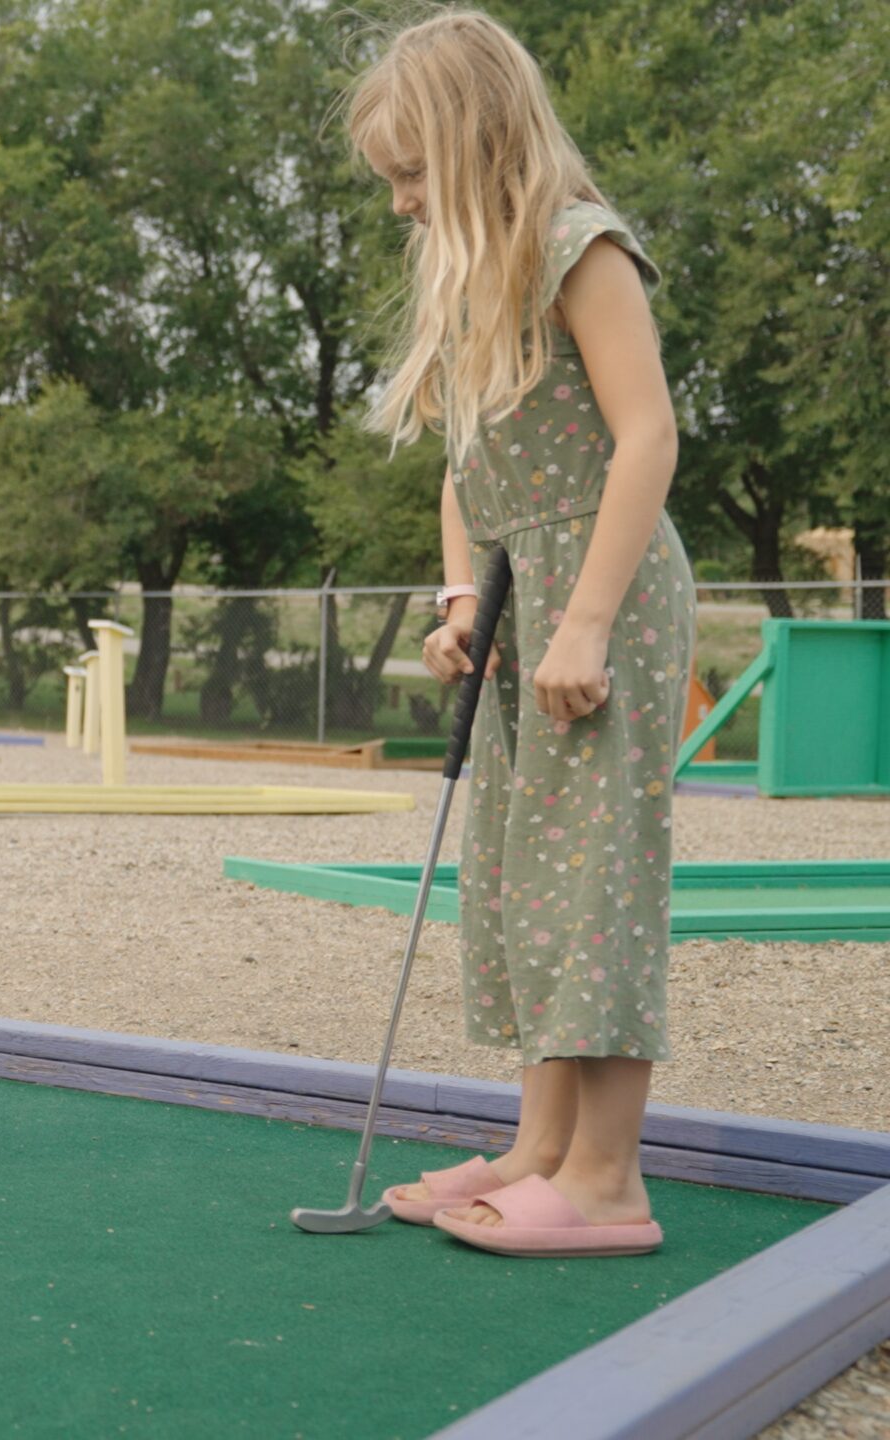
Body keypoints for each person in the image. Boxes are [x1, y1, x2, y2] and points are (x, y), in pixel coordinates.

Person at [349, 10, 694, 1254]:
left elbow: (645, 435)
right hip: (522, 592)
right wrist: (462, 606)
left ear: (479, 141)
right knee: (524, 874)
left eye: (410, 175)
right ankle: (539, 1147)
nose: (399, 204)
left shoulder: (576, 246)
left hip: (601, 588)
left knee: (594, 875)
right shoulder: (476, 278)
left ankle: (608, 1180)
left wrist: (585, 622)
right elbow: (463, 467)